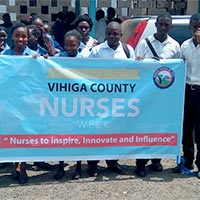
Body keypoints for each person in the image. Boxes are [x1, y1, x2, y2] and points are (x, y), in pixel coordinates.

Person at [135, 12, 181, 177]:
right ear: (156, 25)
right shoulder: (144, 43)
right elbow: (136, 67)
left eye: (166, 25)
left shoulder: (175, 46)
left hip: (165, 96)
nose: (163, 27)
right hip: (146, 95)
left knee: (160, 128)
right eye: (160, 24)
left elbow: (177, 71)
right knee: (144, 128)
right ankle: (140, 162)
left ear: (170, 26)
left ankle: (156, 160)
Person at [87, 21, 135, 176]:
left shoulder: (128, 51)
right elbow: (87, 72)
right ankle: (93, 164)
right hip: (99, 99)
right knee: (97, 131)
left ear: (121, 35)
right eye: (109, 33)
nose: (112, 36)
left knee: (115, 131)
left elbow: (136, 72)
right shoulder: (96, 51)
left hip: (119, 99)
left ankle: (112, 161)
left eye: (115, 33)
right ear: (105, 34)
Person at [2, 23, 38, 184]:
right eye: (17, 36)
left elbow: (43, 72)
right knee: (12, 134)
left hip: (28, 102)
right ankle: (15, 164)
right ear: (12, 37)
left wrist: (42, 61)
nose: (21, 39)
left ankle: (23, 167)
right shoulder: (4, 56)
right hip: (9, 102)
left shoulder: (34, 55)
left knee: (26, 134)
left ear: (28, 37)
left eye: (24, 36)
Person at [172, 13, 200, 178]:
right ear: (190, 27)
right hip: (187, 90)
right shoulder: (184, 46)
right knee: (186, 128)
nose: (198, 30)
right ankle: (187, 159)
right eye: (195, 26)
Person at [53, 29, 83, 180]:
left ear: (78, 45)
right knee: (62, 135)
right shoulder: (58, 58)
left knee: (78, 135)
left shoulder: (85, 59)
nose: (70, 48)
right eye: (67, 45)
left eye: (73, 45)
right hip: (62, 103)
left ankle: (78, 166)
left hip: (79, 103)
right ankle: (60, 165)